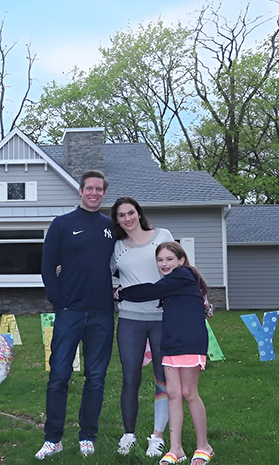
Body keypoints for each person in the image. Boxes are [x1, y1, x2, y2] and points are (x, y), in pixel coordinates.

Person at [36, 170, 116, 460]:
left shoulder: (111, 226)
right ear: (80, 191)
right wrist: (59, 302)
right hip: (70, 312)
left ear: (104, 193)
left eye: (99, 189)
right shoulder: (62, 224)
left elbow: (123, 262)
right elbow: (47, 266)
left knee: (96, 377)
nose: (94, 193)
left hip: (102, 314)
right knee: (59, 375)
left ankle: (87, 436)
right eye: (89, 188)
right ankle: (53, 438)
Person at [116, 241, 215, 465]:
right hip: (170, 343)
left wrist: (122, 294)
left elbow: (151, 290)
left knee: (189, 392)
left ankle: (204, 446)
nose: (164, 264)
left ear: (181, 260)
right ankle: (176, 449)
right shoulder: (172, 282)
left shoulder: (184, 275)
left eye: (169, 259)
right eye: (160, 260)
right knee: (172, 393)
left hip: (189, 343)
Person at [110, 197, 173, 457]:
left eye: (131, 212)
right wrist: (114, 289)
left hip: (162, 319)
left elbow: (179, 268)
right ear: (117, 220)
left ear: (139, 213)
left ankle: (157, 437)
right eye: (121, 215)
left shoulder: (163, 236)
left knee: (163, 378)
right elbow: (105, 275)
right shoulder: (116, 247)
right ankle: (129, 435)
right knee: (130, 378)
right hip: (130, 319)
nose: (127, 218)